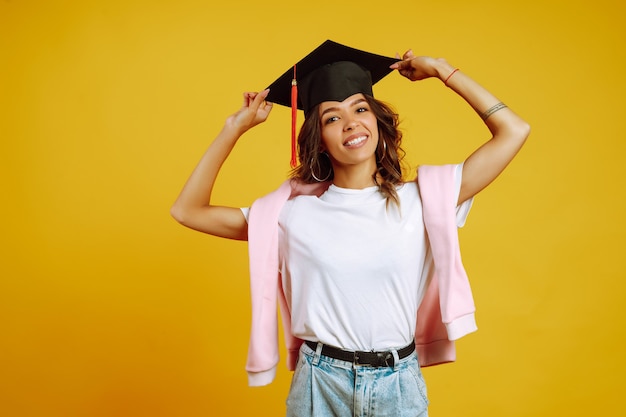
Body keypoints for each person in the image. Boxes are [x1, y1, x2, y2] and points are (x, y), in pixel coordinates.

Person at [171, 40, 530, 417]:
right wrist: (234, 128)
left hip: (398, 384)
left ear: (377, 120)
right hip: (319, 385)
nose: (351, 123)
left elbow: (514, 130)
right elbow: (187, 210)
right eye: (331, 117)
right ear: (319, 139)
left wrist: (443, 71)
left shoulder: (424, 199)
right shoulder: (291, 216)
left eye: (360, 108)